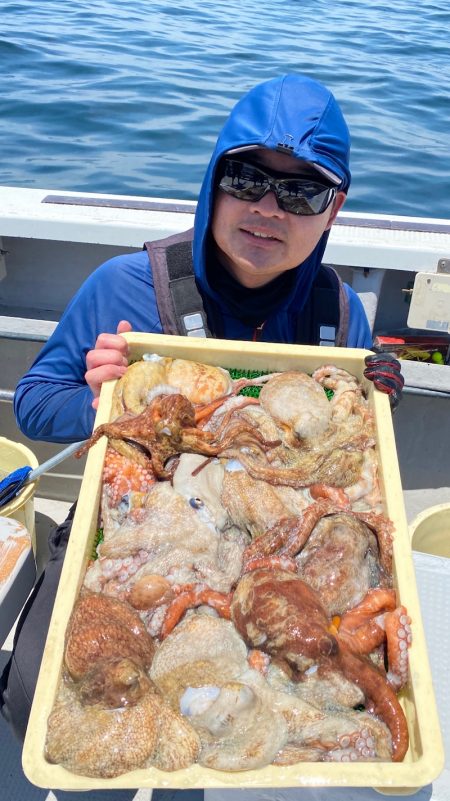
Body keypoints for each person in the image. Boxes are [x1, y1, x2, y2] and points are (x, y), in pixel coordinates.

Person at [0, 73, 403, 741]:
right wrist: (102, 404)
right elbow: (36, 403)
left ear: (332, 210)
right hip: (129, 520)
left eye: (301, 190)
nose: (269, 208)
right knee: (30, 694)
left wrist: (379, 397)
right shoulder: (124, 286)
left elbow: (353, 455)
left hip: (282, 544)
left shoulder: (340, 315)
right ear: (213, 181)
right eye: (247, 179)